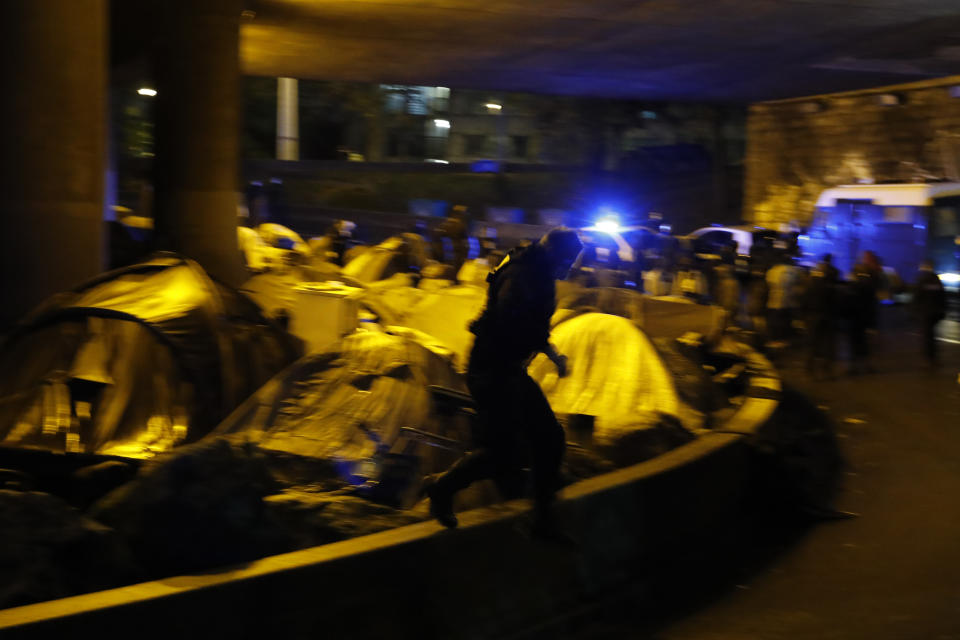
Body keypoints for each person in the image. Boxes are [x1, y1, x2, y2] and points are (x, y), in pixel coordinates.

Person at [421, 227, 583, 539]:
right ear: (551, 251)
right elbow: (511, 319)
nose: (568, 267)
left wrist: (551, 353)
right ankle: (441, 488)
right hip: (492, 368)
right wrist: (535, 344)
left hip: (508, 368)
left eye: (572, 262)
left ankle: (542, 518)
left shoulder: (536, 270)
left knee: (549, 439)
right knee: (503, 452)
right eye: (566, 260)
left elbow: (531, 322)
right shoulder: (522, 274)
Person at [913, 260, 947, 367]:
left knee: (927, 336)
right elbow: (942, 296)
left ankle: (928, 359)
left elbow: (917, 296)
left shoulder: (922, 279)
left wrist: (914, 310)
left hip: (926, 312)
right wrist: (943, 310)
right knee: (931, 335)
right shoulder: (936, 279)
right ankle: (933, 358)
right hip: (935, 312)